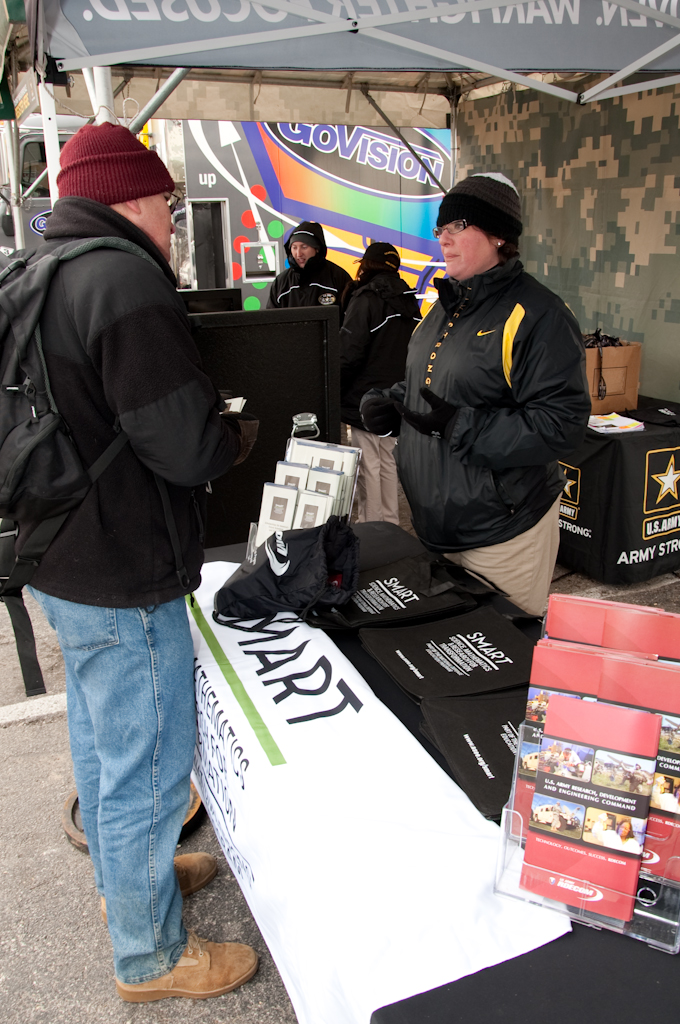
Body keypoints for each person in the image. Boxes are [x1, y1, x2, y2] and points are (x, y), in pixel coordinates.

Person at [18, 123, 259, 1002]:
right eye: (164, 202)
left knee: (99, 738)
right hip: (122, 566)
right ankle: (150, 956)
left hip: (60, 555)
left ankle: (134, 883)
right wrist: (238, 432)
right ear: (133, 199)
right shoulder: (122, 281)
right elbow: (185, 445)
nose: (169, 220)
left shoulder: (37, 269)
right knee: (149, 765)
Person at [360, 172, 590, 616]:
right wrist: (392, 403)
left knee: (505, 660)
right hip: (436, 528)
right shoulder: (441, 309)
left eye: (457, 227)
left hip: (504, 532)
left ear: (498, 235)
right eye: (440, 230)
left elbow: (562, 426)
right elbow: (429, 388)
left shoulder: (539, 315)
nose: (444, 240)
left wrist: (461, 426)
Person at [339, 242, 421, 523]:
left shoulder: (365, 298)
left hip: (366, 398)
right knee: (388, 463)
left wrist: (336, 389)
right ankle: (391, 526)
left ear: (366, 265)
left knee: (368, 467)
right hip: (397, 396)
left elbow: (349, 351)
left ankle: (372, 531)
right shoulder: (409, 300)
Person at [267, 220, 351, 318]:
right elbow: (270, 321)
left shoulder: (338, 277)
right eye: (294, 247)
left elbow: (351, 319)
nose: (298, 254)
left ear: (317, 248)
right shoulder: (281, 282)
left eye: (304, 247)